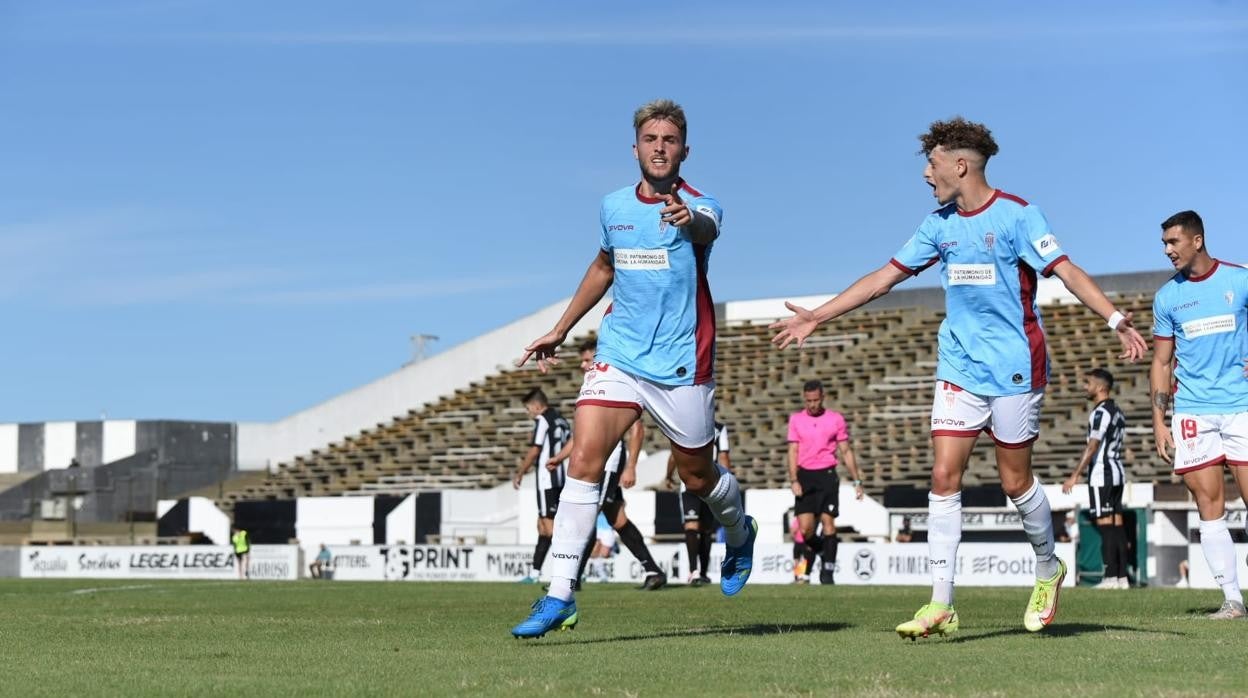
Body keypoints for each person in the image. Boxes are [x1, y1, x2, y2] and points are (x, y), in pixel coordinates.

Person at [771, 117, 1147, 638]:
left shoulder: (1019, 215)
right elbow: (883, 278)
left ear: (961, 165)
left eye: (933, 163)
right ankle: (940, 604)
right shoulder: (937, 225)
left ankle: (1048, 567)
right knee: (944, 477)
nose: (927, 173)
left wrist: (1114, 319)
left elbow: (1067, 269)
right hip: (959, 368)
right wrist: (817, 315)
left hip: (1016, 367)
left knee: (1016, 483)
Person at [511, 99, 755, 639]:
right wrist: (563, 326)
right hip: (619, 353)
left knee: (697, 476)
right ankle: (559, 595)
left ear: (684, 149)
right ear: (636, 148)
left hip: (680, 361)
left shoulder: (701, 205)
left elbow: (707, 229)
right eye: (651, 139)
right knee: (584, 462)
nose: (660, 146)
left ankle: (739, 532)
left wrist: (690, 220)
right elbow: (604, 266)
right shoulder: (614, 206)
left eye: (670, 139)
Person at [1150, 210, 1248, 619]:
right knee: (1208, 502)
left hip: (1241, 405)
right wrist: (1159, 421)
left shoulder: (1240, 279)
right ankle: (1232, 600)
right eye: (1164, 244)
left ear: (1197, 240)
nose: (1168, 251)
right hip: (1193, 410)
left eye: (1174, 242)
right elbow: (1160, 360)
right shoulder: (1167, 296)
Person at [555, 339, 668, 591]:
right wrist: (560, 457)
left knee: (585, 512)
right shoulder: (593, 383)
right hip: (601, 460)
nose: (583, 365)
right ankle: (653, 570)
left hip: (609, 461)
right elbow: (583, 436)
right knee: (618, 520)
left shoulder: (615, 381)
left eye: (587, 359)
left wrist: (631, 466)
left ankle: (570, 579)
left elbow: (637, 428)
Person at [787, 380, 865, 584]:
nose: (812, 404)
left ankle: (827, 573)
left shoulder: (835, 419)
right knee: (805, 530)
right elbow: (793, 451)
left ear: (822, 398)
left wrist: (857, 481)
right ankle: (822, 549)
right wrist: (794, 479)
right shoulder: (796, 420)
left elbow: (846, 450)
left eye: (815, 400)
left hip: (827, 475)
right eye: (808, 401)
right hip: (805, 476)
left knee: (829, 525)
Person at [1062, 368, 1130, 589]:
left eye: (1088, 383)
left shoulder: (1101, 412)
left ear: (1101, 387)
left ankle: (1110, 577)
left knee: (1105, 525)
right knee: (1116, 523)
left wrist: (1075, 475)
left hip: (1102, 474)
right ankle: (1122, 577)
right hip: (1118, 471)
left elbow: (1093, 444)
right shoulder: (1117, 410)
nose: (1085, 387)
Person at [512, 388, 570, 584]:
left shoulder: (542, 420)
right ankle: (535, 573)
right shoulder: (561, 419)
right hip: (560, 477)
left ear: (537, 406)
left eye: (529, 408)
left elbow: (535, 449)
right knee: (543, 527)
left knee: (550, 527)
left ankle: (571, 572)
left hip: (547, 479)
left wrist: (520, 472)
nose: (529, 413)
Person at [665, 418, 731, 585]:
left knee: (706, 529)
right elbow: (723, 457)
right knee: (692, 525)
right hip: (697, 486)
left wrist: (668, 476)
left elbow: (674, 455)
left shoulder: (686, 425)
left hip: (705, 484)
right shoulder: (718, 428)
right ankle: (694, 571)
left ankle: (702, 572)